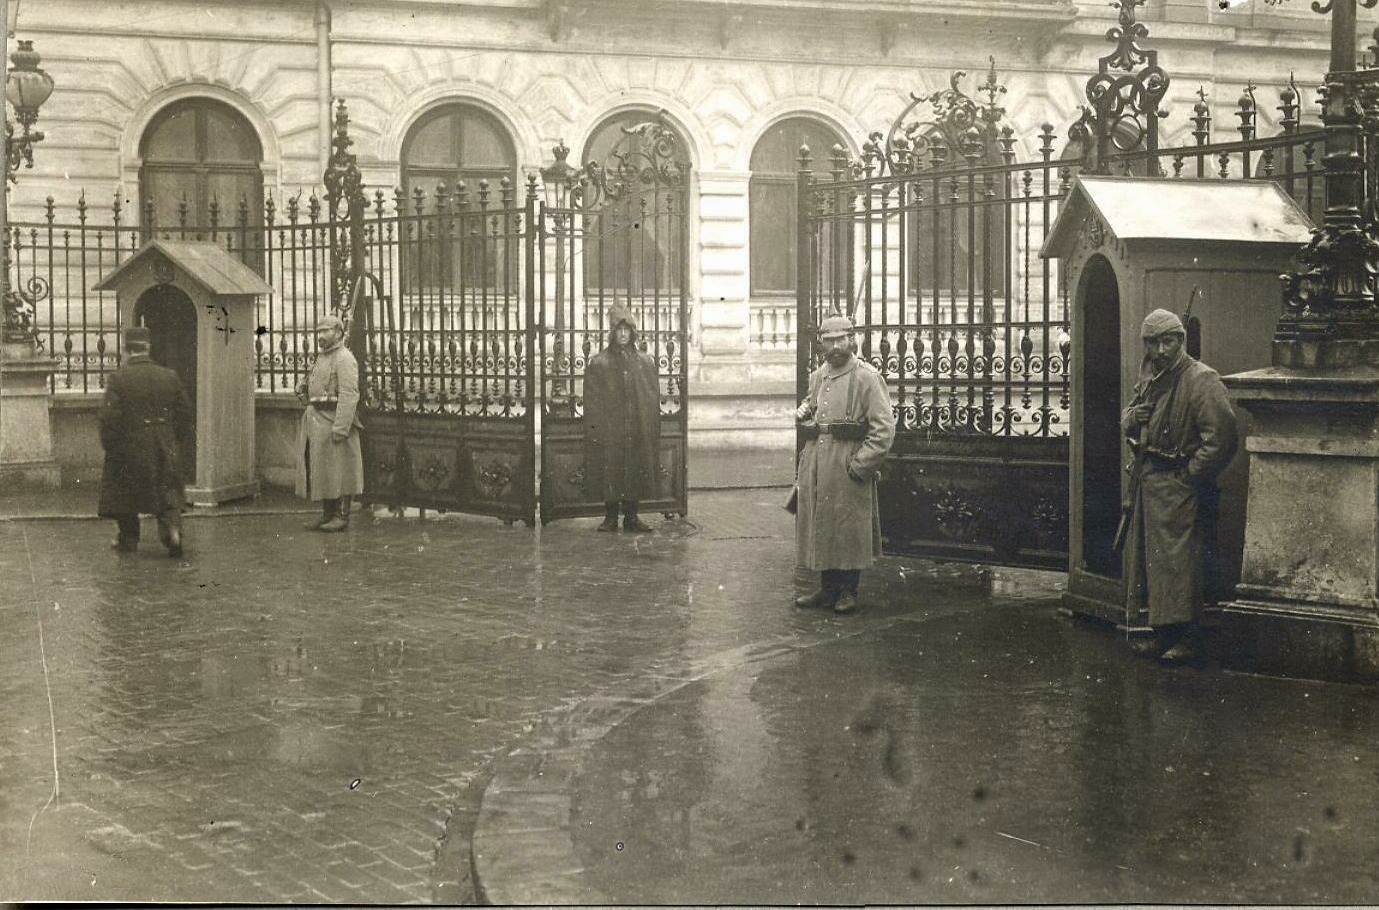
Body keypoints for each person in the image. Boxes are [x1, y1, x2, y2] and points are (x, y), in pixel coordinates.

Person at [1121, 308, 1239, 662]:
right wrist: (1134, 416)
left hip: (1180, 487)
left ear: (1181, 340)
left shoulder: (1201, 379)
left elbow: (1222, 438)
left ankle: (1189, 638)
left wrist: (1191, 475)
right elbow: (1127, 419)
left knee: (1182, 566)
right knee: (1156, 567)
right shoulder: (1151, 378)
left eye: (1168, 341)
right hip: (1150, 483)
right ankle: (1164, 635)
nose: (1160, 350)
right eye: (1153, 343)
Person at [793, 313, 896, 614]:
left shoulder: (867, 377)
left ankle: (849, 591)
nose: (835, 346)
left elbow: (883, 430)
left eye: (841, 340)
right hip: (817, 460)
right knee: (823, 524)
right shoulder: (818, 376)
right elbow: (813, 408)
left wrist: (861, 465)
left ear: (852, 340)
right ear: (821, 344)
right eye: (829, 341)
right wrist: (804, 413)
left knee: (849, 526)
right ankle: (827, 590)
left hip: (847, 460)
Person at [97, 325, 193, 557]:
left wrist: (112, 447)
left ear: (126, 350)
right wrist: (172, 439)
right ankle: (173, 531)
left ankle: (128, 538)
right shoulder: (169, 376)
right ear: (148, 348)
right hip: (164, 442)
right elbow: (184, 413)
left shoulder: (118, 378)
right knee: (168, 490)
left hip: (131, 444)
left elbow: (109, 419)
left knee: (124, 492)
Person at [583, 303, 661, 533]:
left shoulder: (644, 362)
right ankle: (610, 517)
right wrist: (599, 427)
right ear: (613, 332)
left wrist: (646, 423)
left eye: (627, 329)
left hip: (636, 427)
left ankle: (632, 517)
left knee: (634, 469)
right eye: (619, 329)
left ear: (633, 332)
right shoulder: (600, 363)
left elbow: (651, 396)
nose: (623, 334)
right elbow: (592, 400)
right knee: (611, 470)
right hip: (612, 429)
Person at [295, 313, 364, 531]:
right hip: (318, 423)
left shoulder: (344, 358)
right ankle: (327, 515)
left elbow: (349, 395)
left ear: (338, 332)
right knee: (325, 472)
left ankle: (341, 516)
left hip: (335, 421)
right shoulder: (323, 357)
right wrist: (303, 389)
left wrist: (341, 428)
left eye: (325, 331)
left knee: (342, 471)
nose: (321, 335)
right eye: (319, 332)